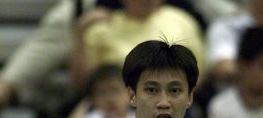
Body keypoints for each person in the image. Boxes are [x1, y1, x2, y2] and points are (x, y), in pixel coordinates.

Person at [72, 40, 220, 118]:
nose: (163, 103)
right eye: (152, 90)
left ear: (189, 97)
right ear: (132, 95)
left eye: (174, 90)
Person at [70, 0, 204, 89]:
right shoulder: (101, 26)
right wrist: (80, 32)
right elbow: (82, 82)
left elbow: (199, 74)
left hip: (171, 101)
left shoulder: (181, 21)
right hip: (111, 106)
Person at [66, 64, 133, 118]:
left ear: (130, 93)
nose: (109, 99)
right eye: (102, 93)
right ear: (93, 99)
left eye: (115, 90)